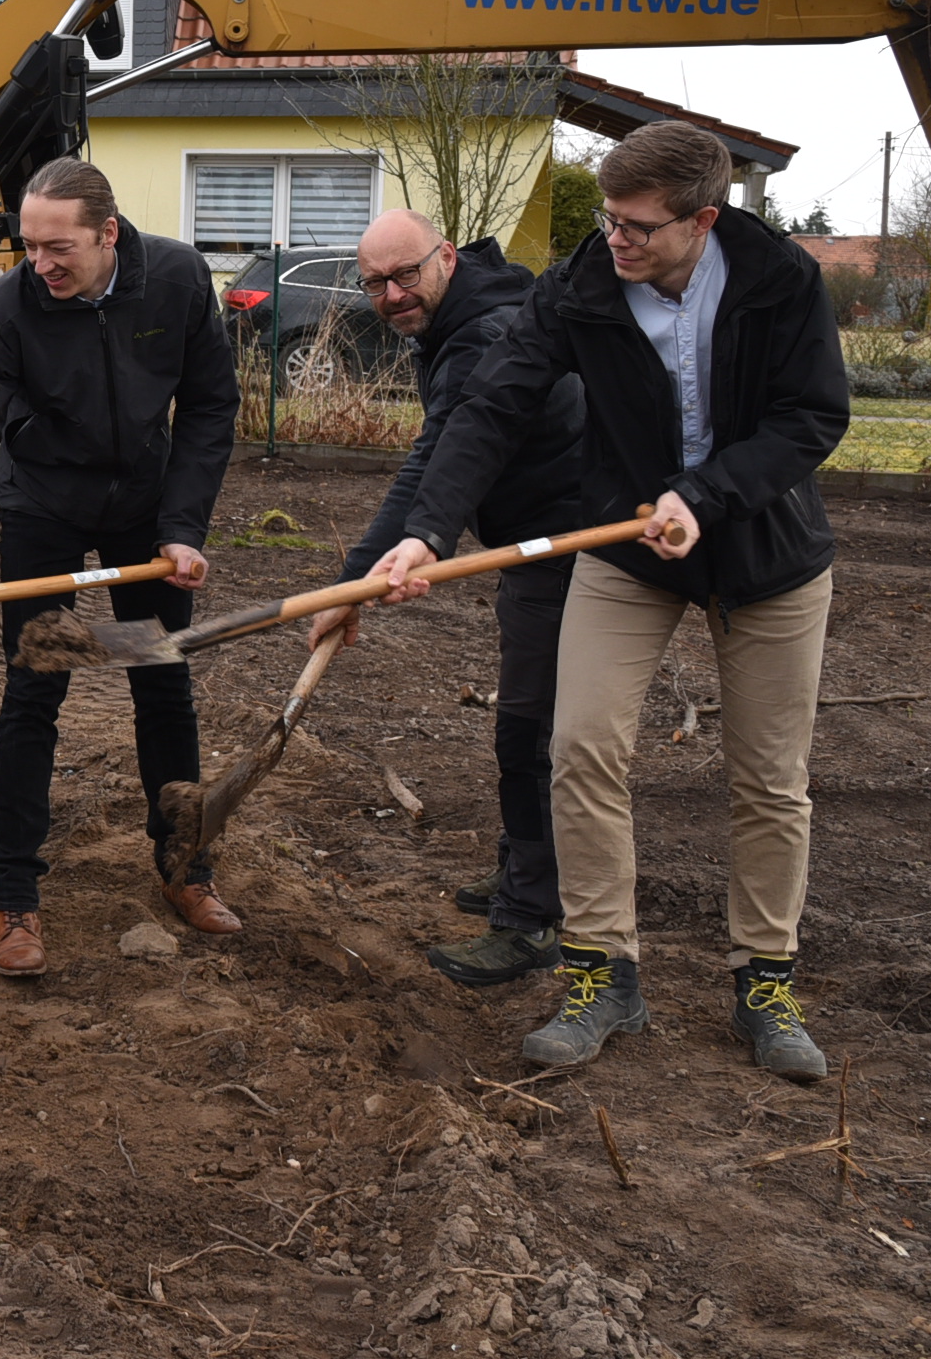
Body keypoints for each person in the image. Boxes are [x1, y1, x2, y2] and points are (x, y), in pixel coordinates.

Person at [367, 121, 848, 1079]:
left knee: (768, 777)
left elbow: (812, 417)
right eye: (609, 221)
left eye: (638, 227)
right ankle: (601, 972)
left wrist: (705, 494)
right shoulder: (583, 287)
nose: (616, 241)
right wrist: (425, 530)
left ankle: (765, 981)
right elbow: (493, 405)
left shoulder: (780, 281)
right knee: (578, 748)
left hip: (766, 553)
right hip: (629, 548)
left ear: (702, 221)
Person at [0, 158, 239, 971]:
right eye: (28, 246)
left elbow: (207, 406)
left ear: (108, 233)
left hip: (145, 517)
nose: (41, 264)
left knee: (161, 681)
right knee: (35, 695)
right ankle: (15, 898)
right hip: (47, 516)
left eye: (57, 247)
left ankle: (184, 865)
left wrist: (183, 527)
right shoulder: (8, 307)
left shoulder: (173, 278)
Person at [309, 210, 584, 989]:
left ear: (448, 258)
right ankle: (525, 876)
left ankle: (532, 918)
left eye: (407, 275)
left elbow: (438, 461)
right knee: (530, 724)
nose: (393, 296)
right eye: (375, 284)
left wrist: (355, 580)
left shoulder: (483, 334)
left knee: (530, 733)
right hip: (533, 537)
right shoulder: (473, 314)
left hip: (567, 549)